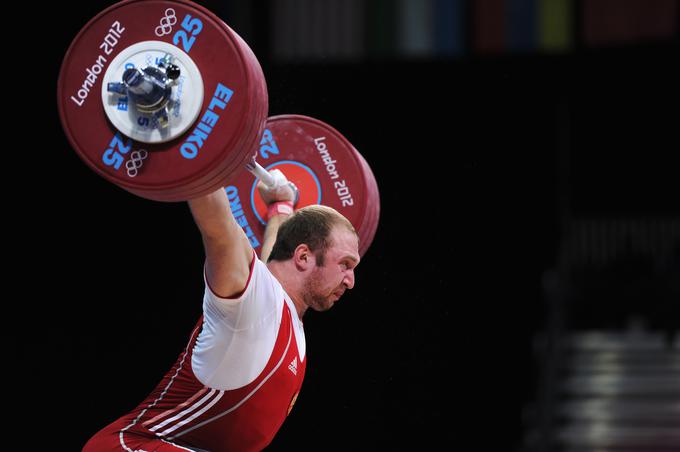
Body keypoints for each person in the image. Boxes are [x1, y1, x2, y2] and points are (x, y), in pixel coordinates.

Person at [83, 169, 360, 451]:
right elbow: (219, 228)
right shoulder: (253, 305)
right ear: (303, 256)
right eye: (346, 265)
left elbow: (274, 261)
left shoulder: (278, 310)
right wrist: (193, 147)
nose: (351, 281)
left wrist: (280, 206)